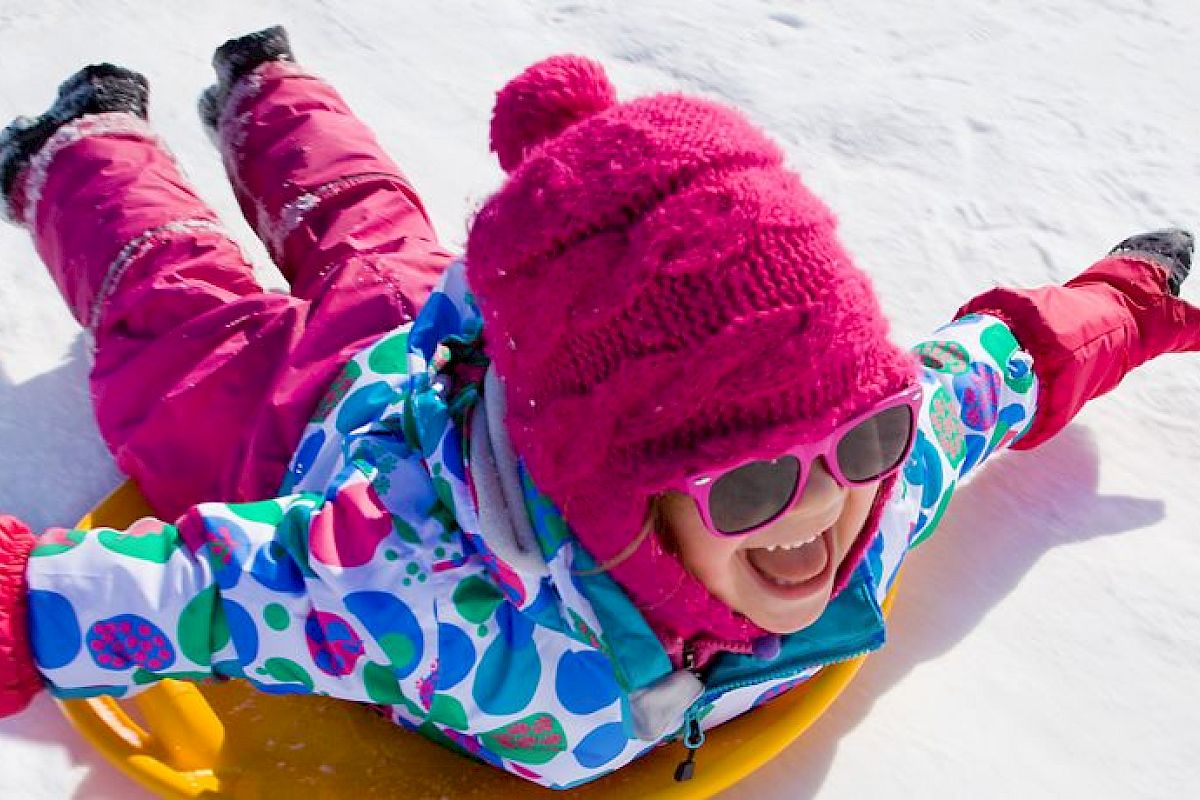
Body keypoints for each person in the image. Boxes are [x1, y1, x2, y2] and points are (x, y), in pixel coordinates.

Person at [0, 25, 1197, 790]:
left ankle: (269, 83)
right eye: (750, 480)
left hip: (464, 335)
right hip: (296, 422)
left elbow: (989, 374)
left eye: (863, 435)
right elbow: (217, 593)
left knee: (372, 228)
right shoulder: (438, 597)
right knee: (173, 311)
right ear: (609, 495)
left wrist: (1128, 299)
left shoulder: (876, 479)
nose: (824, 513)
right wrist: (26, 604)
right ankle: (84, 139)